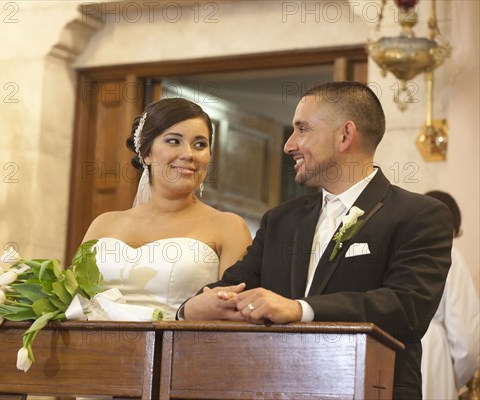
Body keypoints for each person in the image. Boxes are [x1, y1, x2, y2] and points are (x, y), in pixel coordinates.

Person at [181, 81, 454, 399]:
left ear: (345, 135)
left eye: (302, 129)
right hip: (273, 388)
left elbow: (405, 309)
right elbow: (234, 286)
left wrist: (301, 309)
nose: (288, 144)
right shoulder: (281, 219)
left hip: (370, 388)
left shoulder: (419, 215)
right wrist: (189, 309)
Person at [0, 97, 252, 346]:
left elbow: (236, 321)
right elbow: (68, 303)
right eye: (174, 141)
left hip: (181, 367)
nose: (188, 154)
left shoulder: (228, 227)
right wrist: (0, 322)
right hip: (95, 366)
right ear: (147, 152)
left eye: (200, 144)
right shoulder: (104, 225)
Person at [421, 191, 479, 400]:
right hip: (434, 356)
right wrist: (452, 379)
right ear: (451, 228)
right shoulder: (450, 253)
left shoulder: (398, 249)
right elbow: (467, 341)